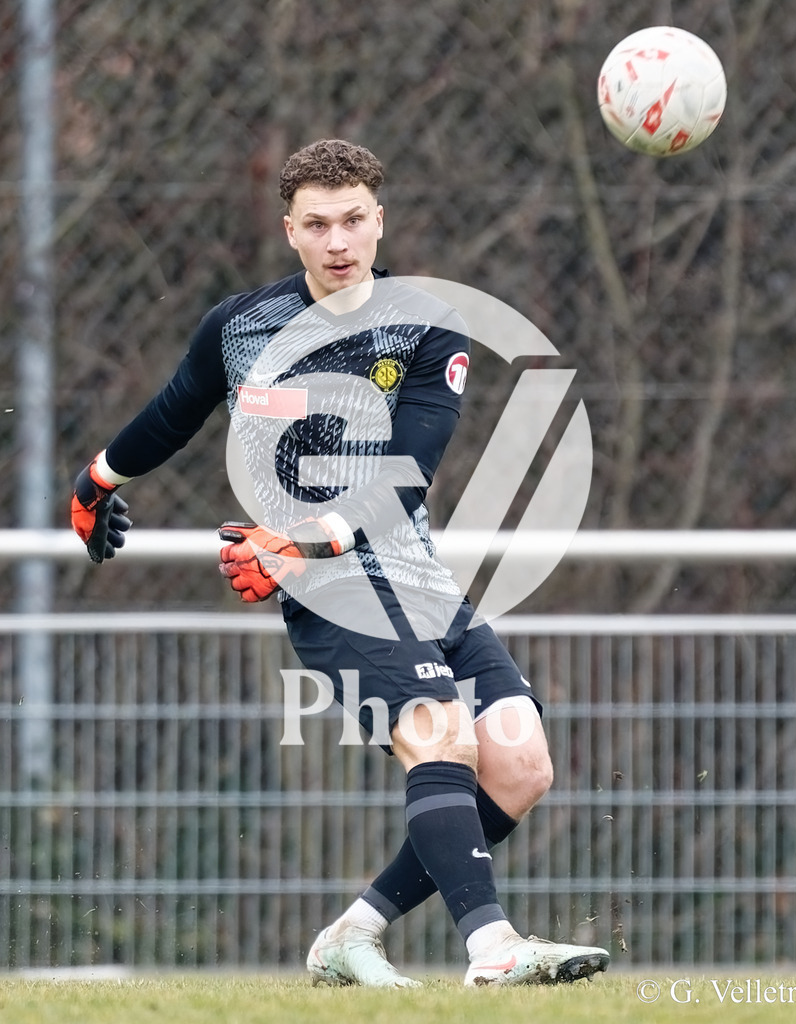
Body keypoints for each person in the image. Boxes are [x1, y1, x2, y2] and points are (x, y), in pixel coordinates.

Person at [70, 138, 610, 987]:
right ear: (290, 230)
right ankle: (492, 948)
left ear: (378, 220)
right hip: (330, 587)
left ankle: (349, 934)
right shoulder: (241, 326)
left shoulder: (426, 325)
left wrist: (303, 533)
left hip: (414, 573)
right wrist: (97, 480)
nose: (337, 241)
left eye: (353, 220)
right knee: (439, 734)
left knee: (521, 765)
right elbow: (173, 413)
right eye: (317, 224)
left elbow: (405, 477)